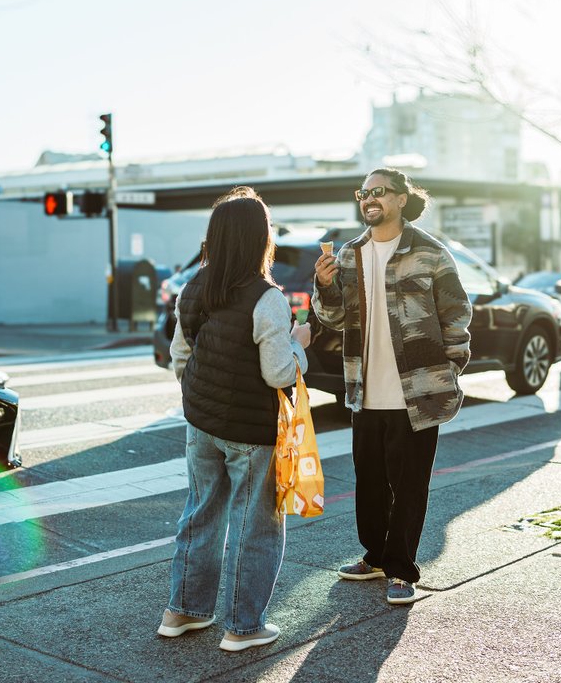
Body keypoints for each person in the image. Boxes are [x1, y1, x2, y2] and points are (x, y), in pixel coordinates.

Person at [159, 186, 312, 652]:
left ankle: (183, 611)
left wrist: (199, 397)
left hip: (201, 422)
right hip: (251, 432)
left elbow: (180, 355)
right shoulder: (267, 298)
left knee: (201, 512)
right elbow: (278, 373)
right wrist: (299, 343)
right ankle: (244, 627)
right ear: (260, 239)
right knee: (255, 525)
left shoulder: (194, 286)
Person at [312, 168, 471, 605]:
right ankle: (376, 556)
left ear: (402, 199)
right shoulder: (350, 254)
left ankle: (402, 569)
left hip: (416, 392)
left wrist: (450, 369)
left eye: (378, 192)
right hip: (364, 389)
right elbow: (334, 319)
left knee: (410, 485)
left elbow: (456, 314)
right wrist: (324, 286)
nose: (369, 199)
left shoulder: (431, 254)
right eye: (363, 193)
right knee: (369, 482)